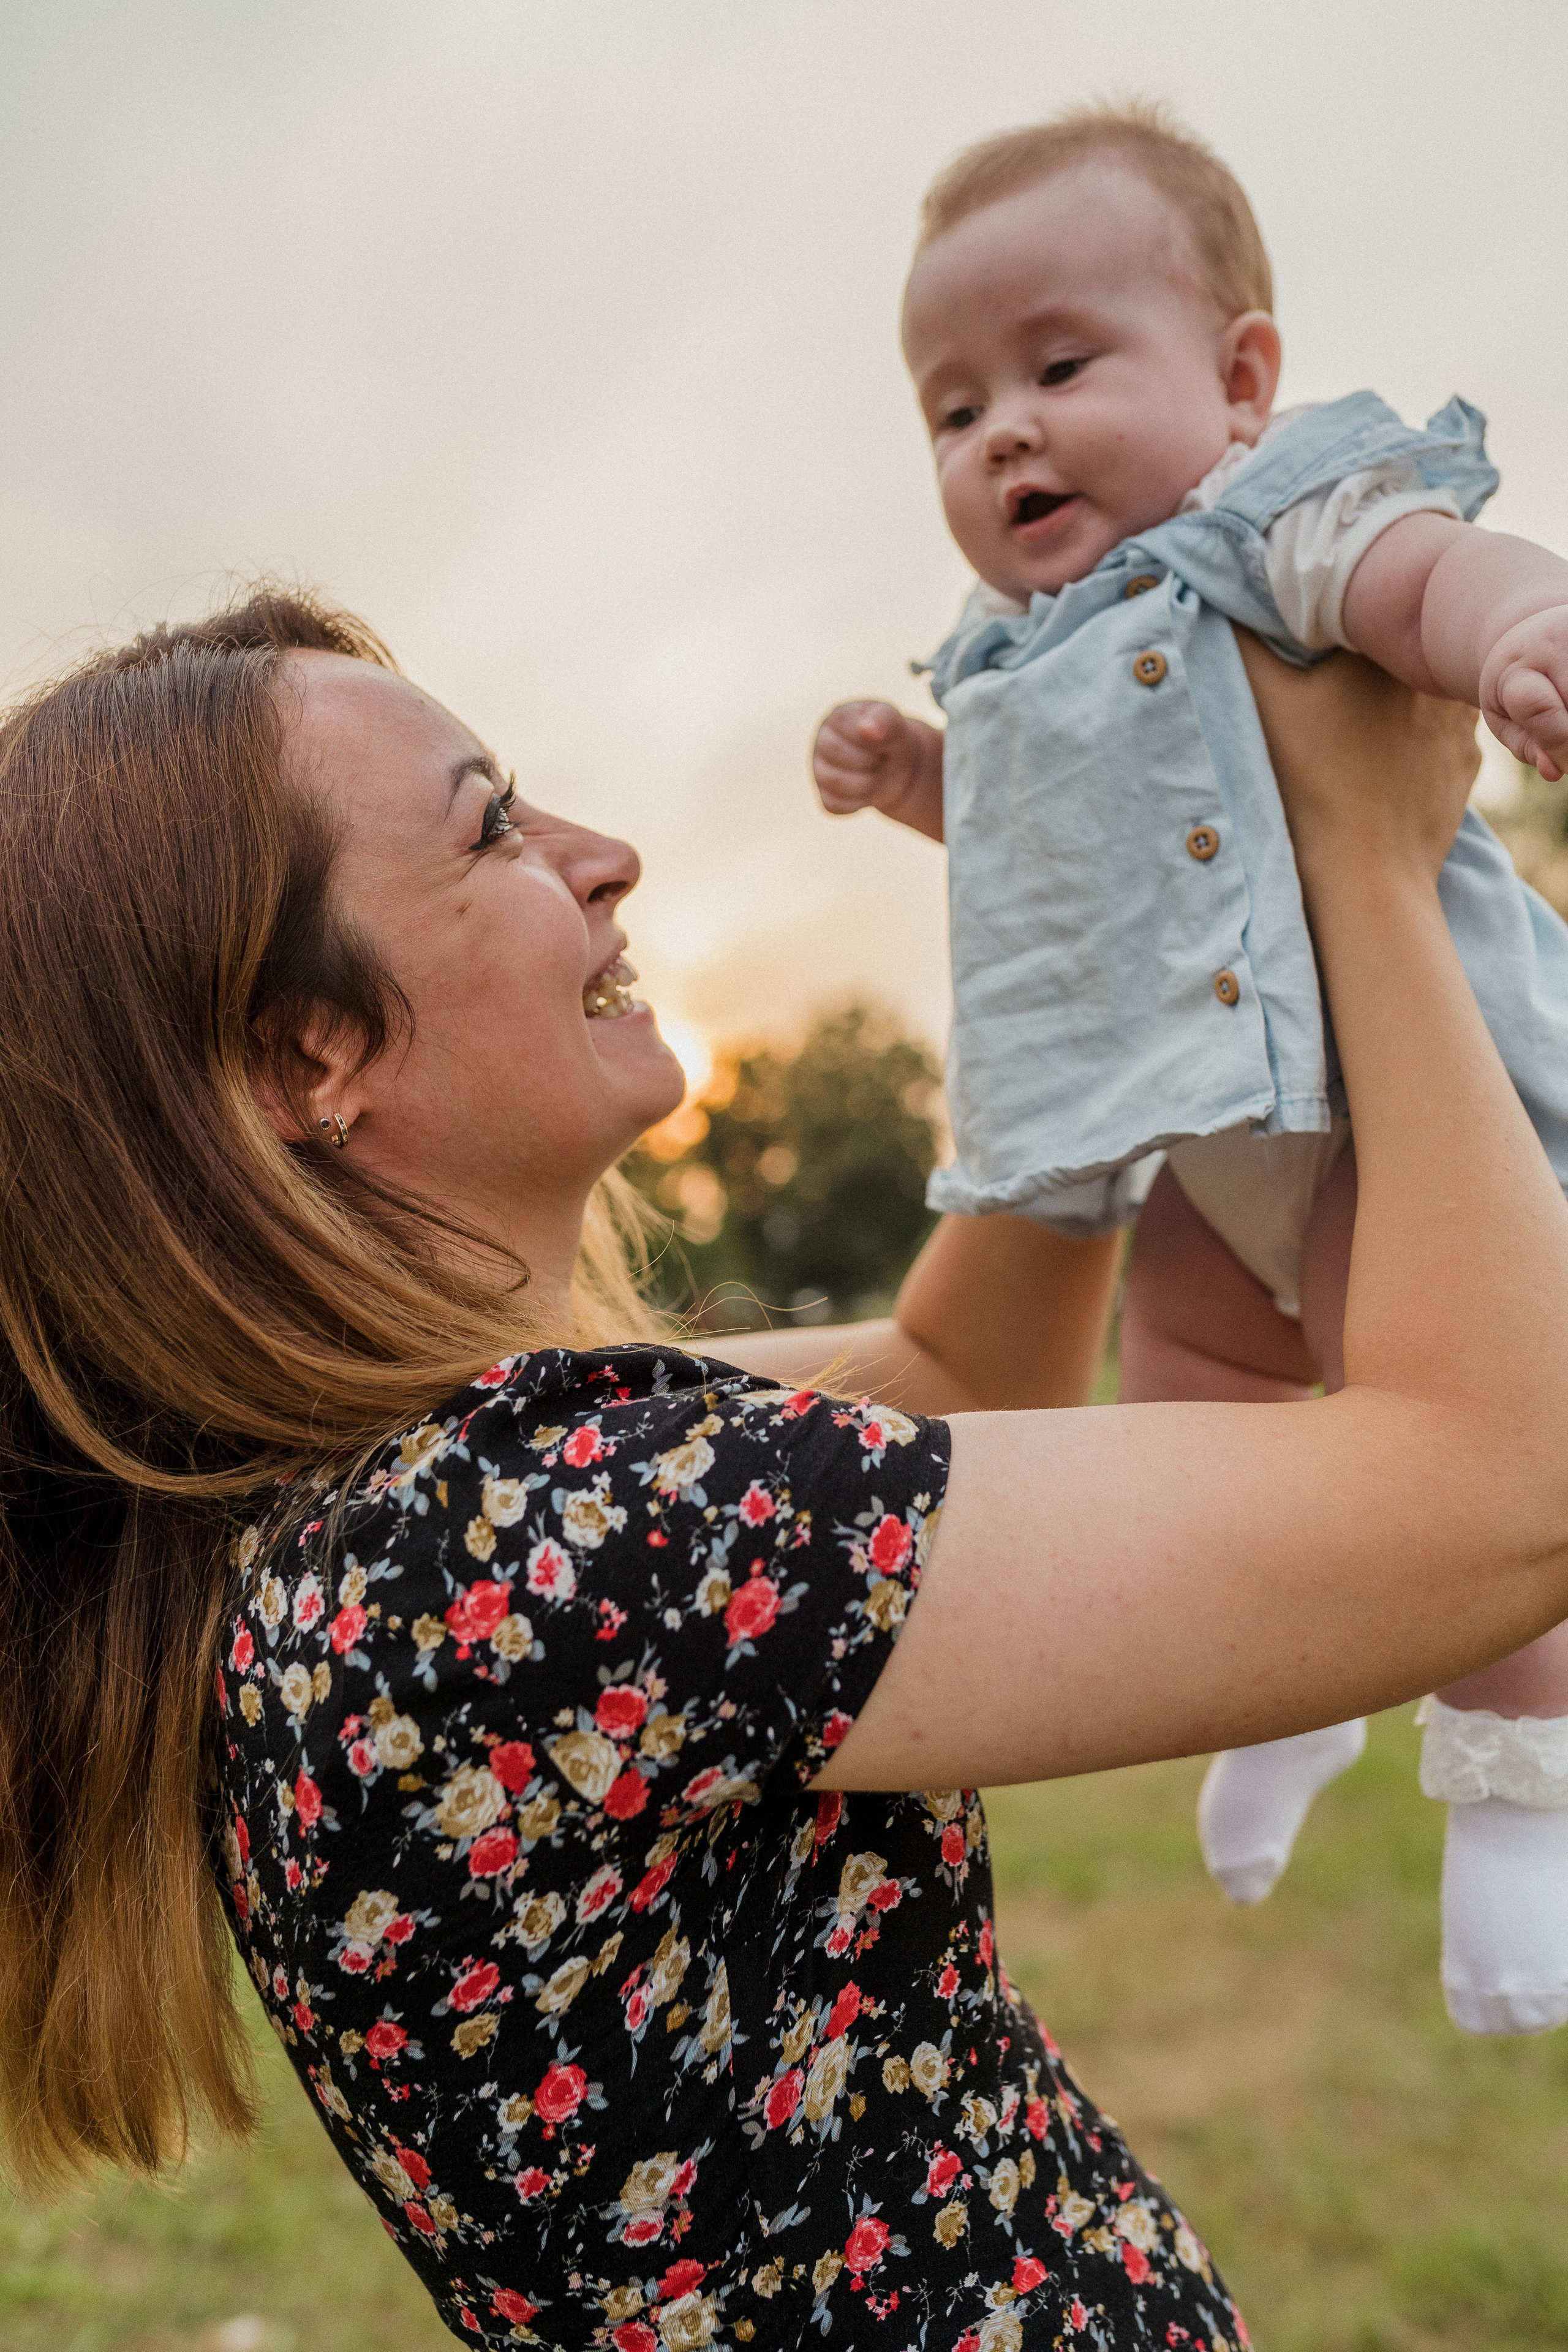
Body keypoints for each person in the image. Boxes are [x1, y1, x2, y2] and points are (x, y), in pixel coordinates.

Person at [2, 590, 1566, 2352]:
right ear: (313, 1055)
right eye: (493, 825)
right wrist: (1368, 850)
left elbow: (970, 1375)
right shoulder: (527, 1545)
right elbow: (1510, 1487)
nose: (607, 858)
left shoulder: (406, 1510)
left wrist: (1072, 902)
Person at [812, 100, 1568, 2038]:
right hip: (1209, 1136)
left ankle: (1527, 1806)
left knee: (1468, 1468)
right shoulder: (1006, 652)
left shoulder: (1272, 520)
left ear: (1240, 381)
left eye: (1060, 366)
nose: (1003, 432)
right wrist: (925, 782)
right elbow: (1057, 849)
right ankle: (1293, 1693)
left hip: (1419, 1112)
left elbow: (1419, 574)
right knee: (1209, 1415)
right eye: (951, 405)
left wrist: (1518, 632)